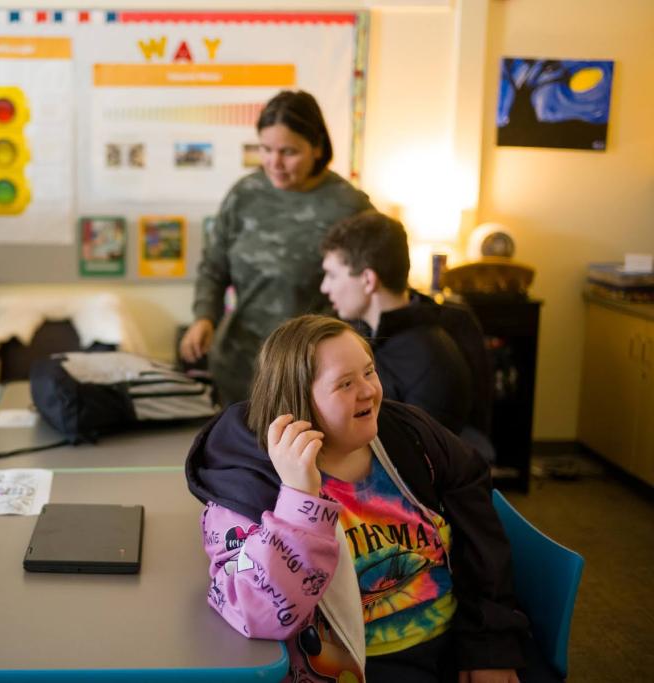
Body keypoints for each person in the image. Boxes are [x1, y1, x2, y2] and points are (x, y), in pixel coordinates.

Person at [186, 315, 551, 683]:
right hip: (358, 665)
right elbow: (257, 614)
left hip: (457, 643)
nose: (369, 391)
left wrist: (488, 649)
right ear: (296, 404)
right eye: (345, 384)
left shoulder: (411, 437)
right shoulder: (248, 485)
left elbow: (481, 545)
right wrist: (298, 498)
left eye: (369, 372)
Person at [179, 90, 373, 406]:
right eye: (266, 149)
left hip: (311, 373)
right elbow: (214, 266)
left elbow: (368, 291)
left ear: (317, 148)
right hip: (240, 368)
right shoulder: (245, 193)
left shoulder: (348, 206)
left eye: (289, 152)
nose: (274, 163)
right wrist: (204, 317)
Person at [320, 211, 495, 457]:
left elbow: (423, 459)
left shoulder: (431, 357)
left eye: (332, 275)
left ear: (368, 280)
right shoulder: (360, 333)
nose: (324, 287)